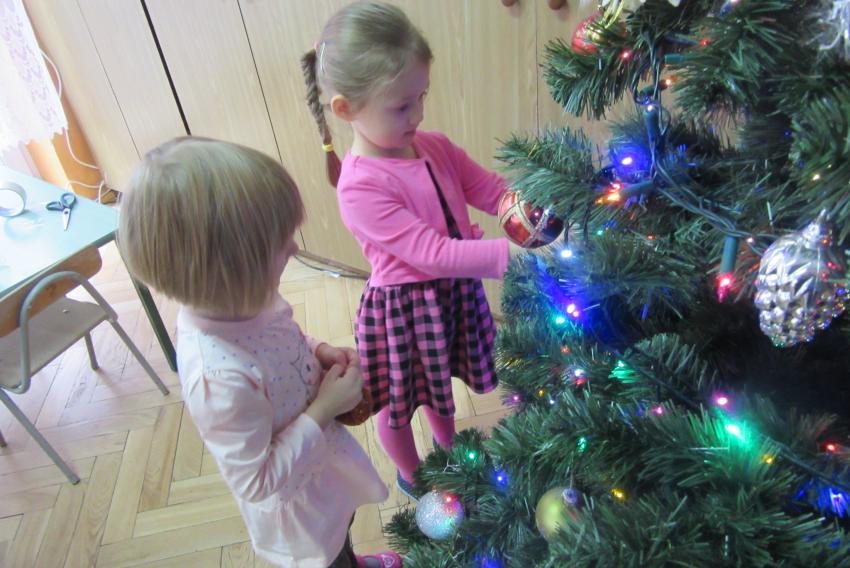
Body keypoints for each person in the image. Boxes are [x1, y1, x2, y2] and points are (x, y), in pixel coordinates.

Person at [118, 137, 401, 568]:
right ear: (232, 271)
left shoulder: (249, 300)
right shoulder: (217, 380)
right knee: (328, 555)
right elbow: (258, 482)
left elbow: (283, 338)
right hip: (298, 507)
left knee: (341, 529)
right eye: (280, 243)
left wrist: (320, 350)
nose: (294, 248)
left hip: (321, 471)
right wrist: (324, 408)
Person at [302, 1, 519, 501]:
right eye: (401, 106)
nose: (417, 114)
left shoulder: (433, 144)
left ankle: (452, 453)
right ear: (346, 110)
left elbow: (487, 188)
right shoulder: (359, 186)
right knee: (398, 407)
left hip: (451, 296)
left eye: (421, 97)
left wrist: (525, 208)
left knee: (442, 391)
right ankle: (411, 473)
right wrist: (510, 258)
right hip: (403, 311)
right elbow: (431, 253)